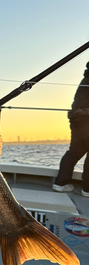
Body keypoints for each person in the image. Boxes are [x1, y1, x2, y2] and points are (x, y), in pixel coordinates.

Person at [53, 62, 89, 197]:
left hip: (76, 118)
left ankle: (60, 184)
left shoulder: (85, 80)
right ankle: (87, 189)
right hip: (87, 117)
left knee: (75, 151)